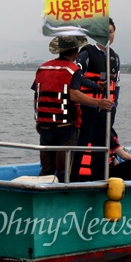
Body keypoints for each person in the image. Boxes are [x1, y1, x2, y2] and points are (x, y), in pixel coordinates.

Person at [32, 36, 114, 182]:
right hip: (65, 127)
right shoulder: (72, 70)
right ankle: (64, 197)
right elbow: (74, 94)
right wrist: (99, 103)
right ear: (76, 53)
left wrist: (38, 119)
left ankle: (43, 195)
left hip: (45, 125)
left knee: (46, 168)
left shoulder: (43, 68)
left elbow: (37, 95)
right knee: (63, 170)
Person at [71, 18, 120, 181]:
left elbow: (117, 87)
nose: (108, 35)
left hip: (105, 113)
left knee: (101, 148)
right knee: (82, 146)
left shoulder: (115, 58)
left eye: (111, 32)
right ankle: (74, 180)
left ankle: (99, 179)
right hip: (87, 110)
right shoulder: (87, 53)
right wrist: (95, 85)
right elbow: (76, 78)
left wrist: (113, 110)